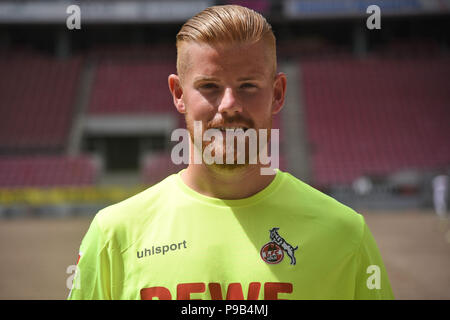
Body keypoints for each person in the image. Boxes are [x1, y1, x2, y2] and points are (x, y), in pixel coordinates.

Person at [68, 5, 394, 300]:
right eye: (209, 86)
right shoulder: (114, 235)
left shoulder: (345, 234)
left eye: (248, 86)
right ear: (179, 94)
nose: (229, 106)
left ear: (278, 93)